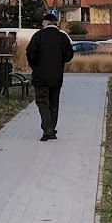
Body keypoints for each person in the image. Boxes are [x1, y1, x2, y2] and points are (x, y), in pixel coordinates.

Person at [24, 10, 76, 141]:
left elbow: (30, 53)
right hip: (56, 76)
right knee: (54, 103)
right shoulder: (62, 37)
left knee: (42, 102)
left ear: (45, 23)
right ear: (55, 23)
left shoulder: (38, 36)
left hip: (40, 76)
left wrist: (35, 66)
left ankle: (47, 129)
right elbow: (69, 55)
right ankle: (51, 129)